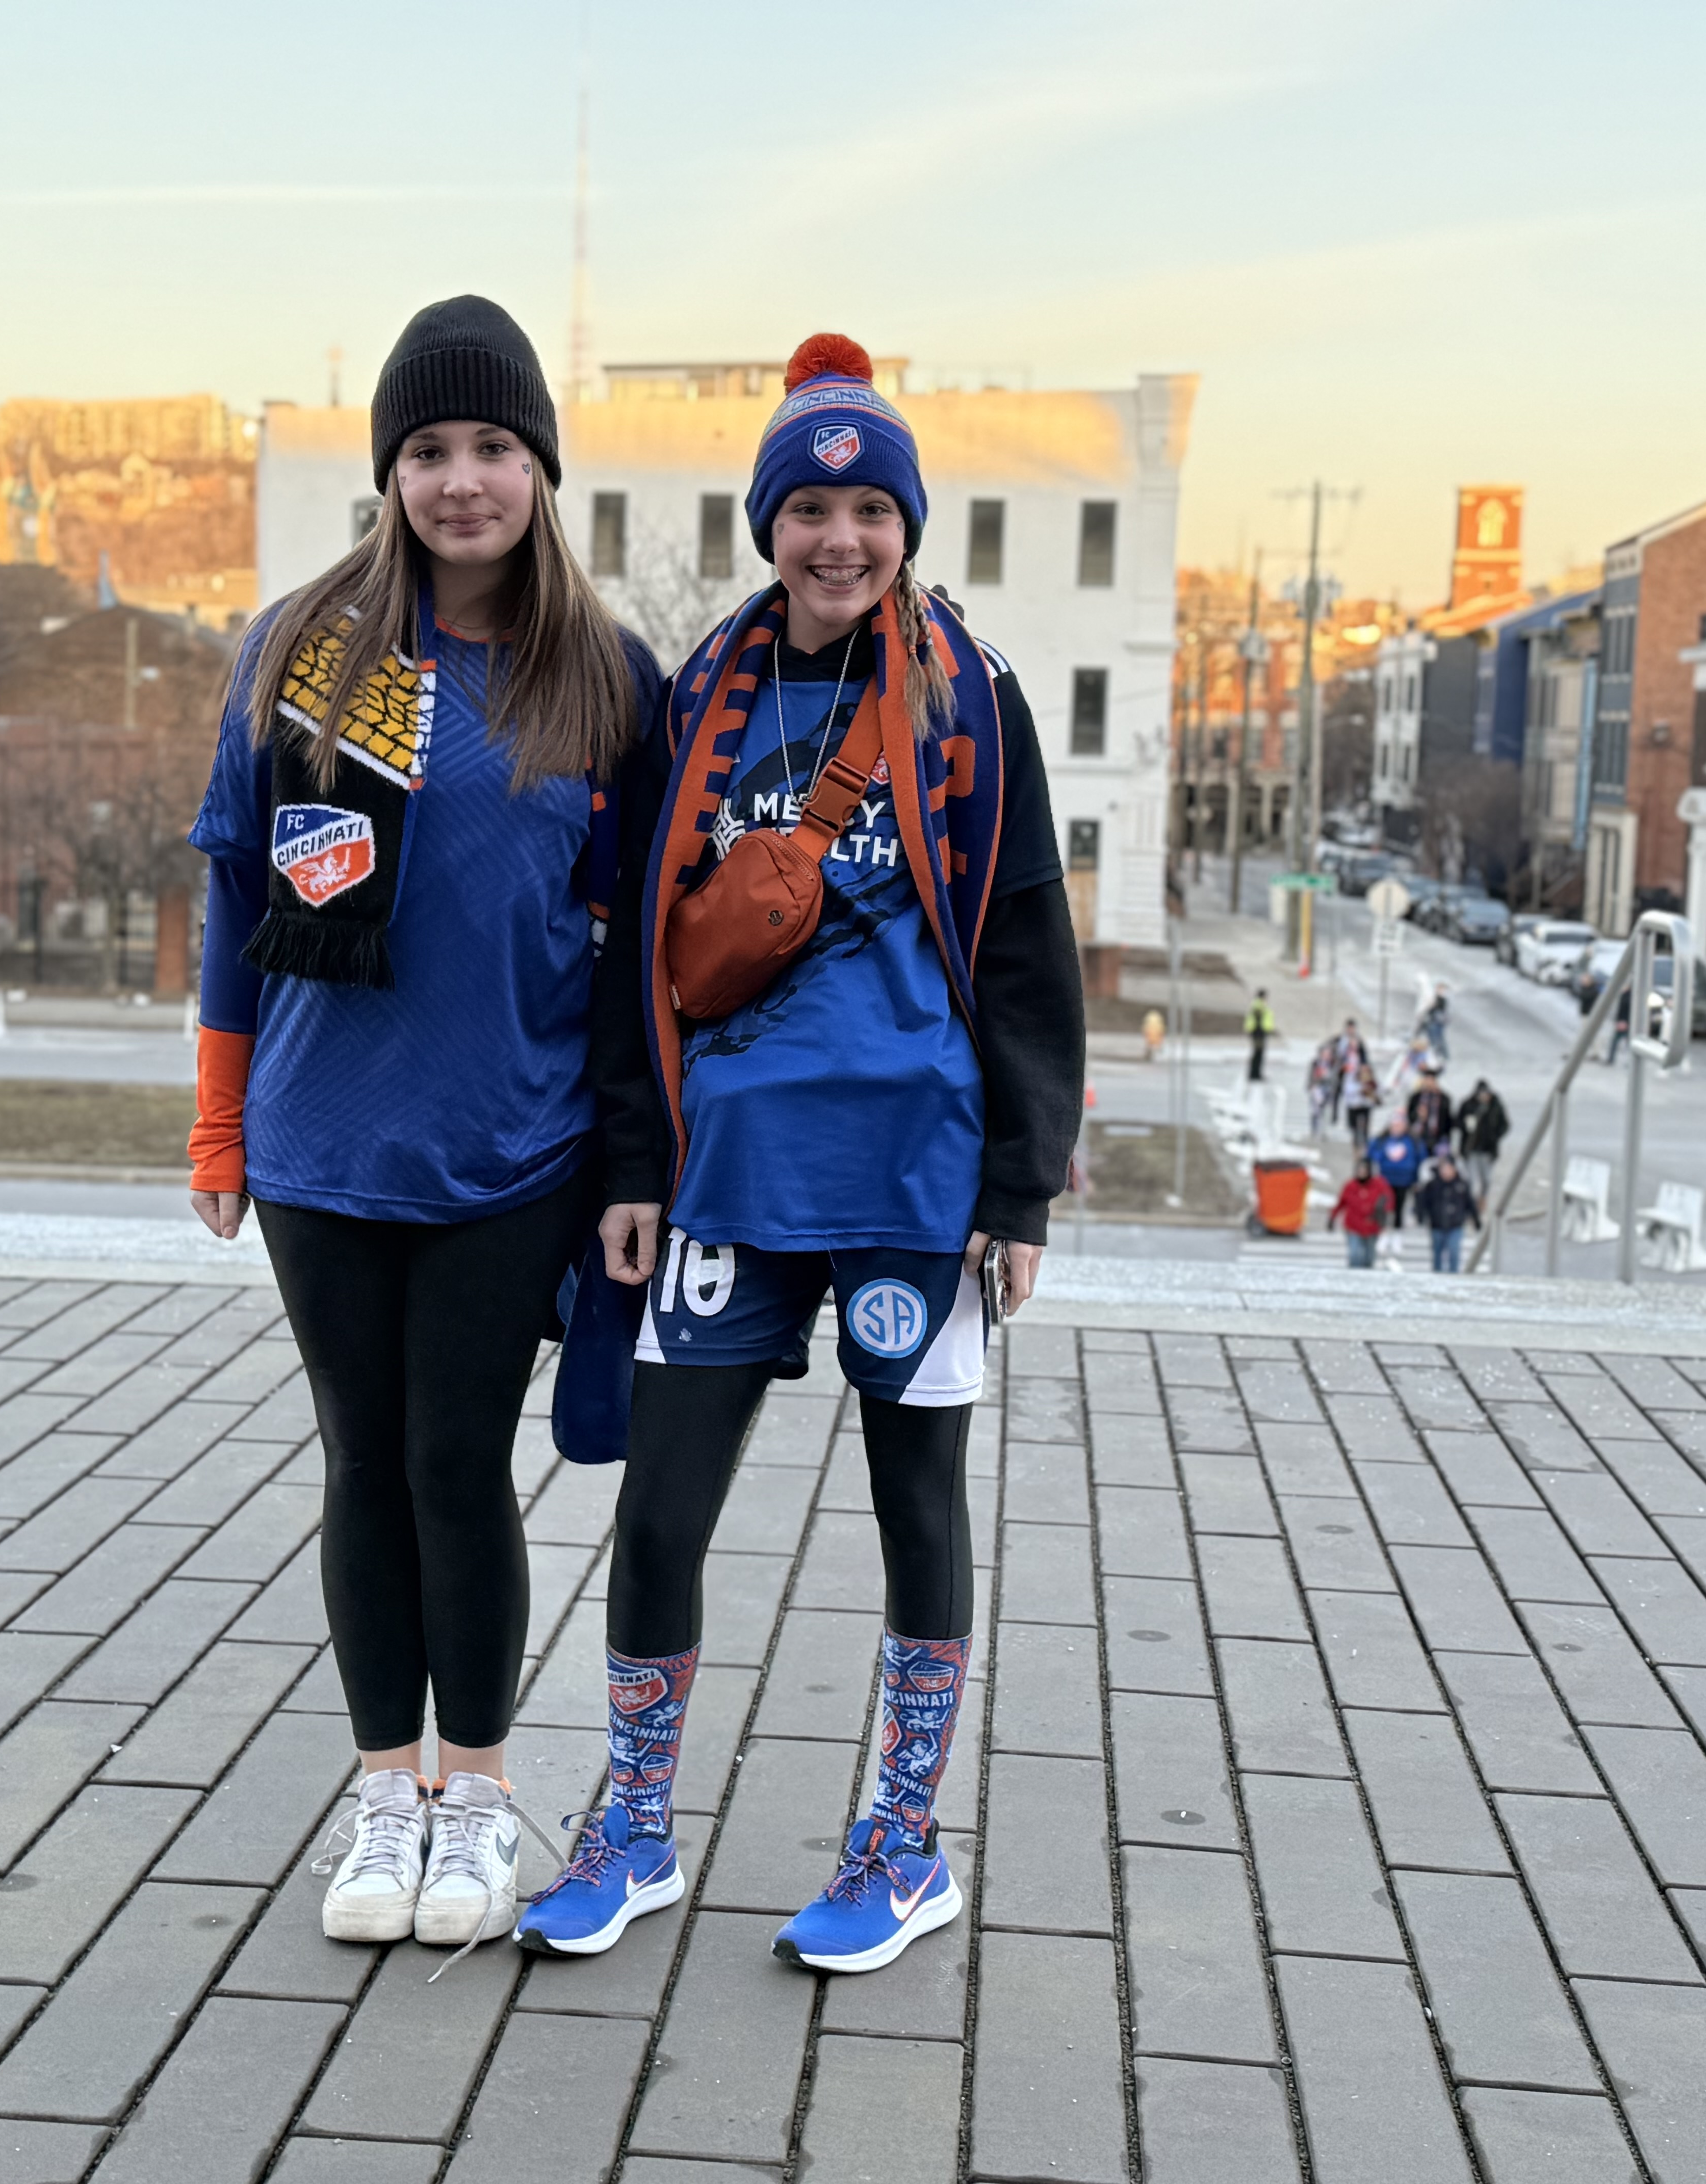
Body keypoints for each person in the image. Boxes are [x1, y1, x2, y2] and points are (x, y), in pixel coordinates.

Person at [516, 334, 1085, 1977]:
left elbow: (1030, 947)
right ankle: (630, 1830)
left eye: (867, 506)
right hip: (729, 1174)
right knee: (661, 1509)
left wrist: (1019, 1190)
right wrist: (632, 1165)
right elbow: (634, 948)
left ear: (906, 523)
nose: (838, 535)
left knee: (916, 1502)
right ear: (767, 522)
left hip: (917, 1171)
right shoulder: (700, 693)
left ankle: (904, 1849)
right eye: (808, 506)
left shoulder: (971, 698)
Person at [189, 296, 660, 1950]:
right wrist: (215, 1126)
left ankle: (476, 1798)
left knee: (460, 1464)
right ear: (389, 472)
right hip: (322, 1146)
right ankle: (383, 1792)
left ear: (540, 465)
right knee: (361, 1467)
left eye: (492, 448)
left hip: (507, 1154)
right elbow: (237, 897)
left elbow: (638, 959)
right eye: (428, 450)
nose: (461, 481)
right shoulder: (304, 648)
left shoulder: (602, 675)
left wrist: (628, 1165)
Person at [1416, 1148, 1479, 1273]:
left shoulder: (1462, 1184)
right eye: (1443, 1168)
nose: (1446, 1171)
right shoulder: (1432, 1185)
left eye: (1449, 1168)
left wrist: (1476, 1220)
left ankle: (1454, 1276)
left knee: (1454, 1252)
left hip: (1456, 1224)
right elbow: (1423, 1203)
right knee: (1437, 1254)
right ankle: (1437, 1277)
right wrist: (1421, 1217)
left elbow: (1470, 1204)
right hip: (1437, 1224)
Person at [1329, 1154, 1393, 1269]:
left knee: (1369, 1258)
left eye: (1364, 1170)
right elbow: (1341, 1203)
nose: (1362, 1172)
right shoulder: (1350, 1186)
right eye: (1360, 1170)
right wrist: (1332, 1218)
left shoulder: (1379, 1185)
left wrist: (1384, 1216)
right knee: (1355, 1255)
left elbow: (1388, 1201)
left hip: (1372, 1226)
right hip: (1354, 1225)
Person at [1457, 1077, 1509, 1202]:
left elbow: (1505, 1125)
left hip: (1488, 1150)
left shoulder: (1496, 1106)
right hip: (1471, 1149)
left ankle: (1483, 1199)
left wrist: (1495, 1136)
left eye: (1486, 1094)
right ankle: (1471, 1205)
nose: (1484, 1096)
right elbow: (1457, 1122)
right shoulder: (1468, 1105)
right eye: (1482, 1094)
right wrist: (1466, 1125)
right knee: (1471, 1180)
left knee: (1487, 1179)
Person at [1368, 1123, 1423, 1227]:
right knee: (1384, 1205)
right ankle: (1383, 1228)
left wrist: (1415, 1178)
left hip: (1404, 1180)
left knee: (1400, 1206)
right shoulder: (1382, 1140)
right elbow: (1372, 1155)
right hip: (1385, 1179)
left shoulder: (1412, 1141)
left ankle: (1397, 1229)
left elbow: (1419, 1158)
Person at [1404, 1062, 1453, 1155]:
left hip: (1437, 1138)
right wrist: (1418, 1115)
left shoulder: (1444, 1099)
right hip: (1418, 1137)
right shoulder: (1416, 1098)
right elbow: (1409, 1117)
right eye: (1427, 1080)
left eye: (1432, 1080)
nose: (1429, 1083)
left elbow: (1448, 1120)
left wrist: (1446, 1139)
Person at [1342, 1058, 1380, 1159]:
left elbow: (1379, 1092)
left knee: (1365, 1129)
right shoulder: (1353, 1079)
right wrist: (1360, 1090)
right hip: (1354, 1107)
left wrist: (1371, 1091)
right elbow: (1348, 1092)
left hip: (1365, 1107)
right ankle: (1356, 1148)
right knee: (1354, 1129)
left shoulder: (1372, 1081)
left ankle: (1364, 1149)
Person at [1244, 989, 1276, 1081]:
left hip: (1258, 1033)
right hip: (1259, 1033)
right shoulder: (1260, 1007)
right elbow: (1259, 1021)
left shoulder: (1258, 1006)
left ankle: (1254, 1074)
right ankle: (1255, 1074)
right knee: (1258, 1054)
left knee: (1257, 1054)